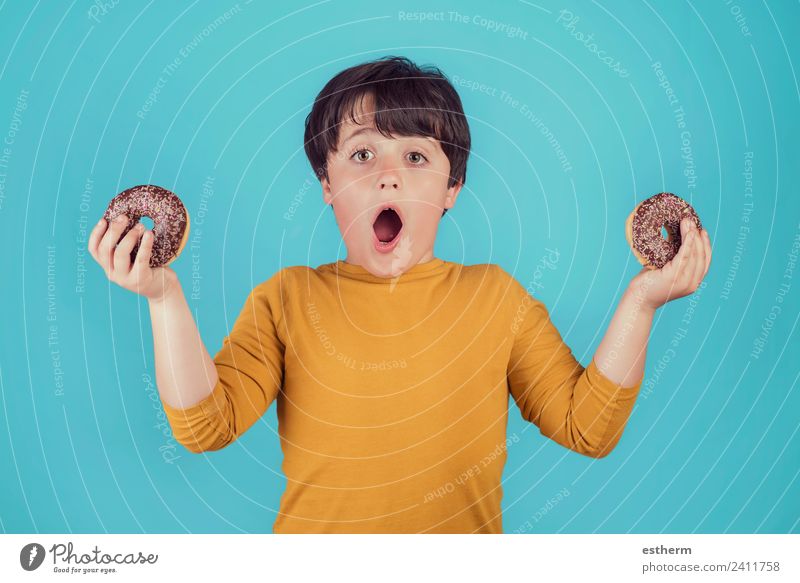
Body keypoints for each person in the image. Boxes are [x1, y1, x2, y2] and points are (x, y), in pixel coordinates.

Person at [87, 56, 712, 533]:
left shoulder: (496, 299)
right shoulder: (286, 299)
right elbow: (206, 426)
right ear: (326, 183)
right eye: (362, 154)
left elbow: (587, 428)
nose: (388, 172)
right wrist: (164, 298)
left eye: (416, 156)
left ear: (452, 188)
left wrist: (642, 303)